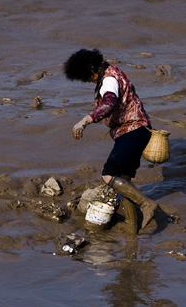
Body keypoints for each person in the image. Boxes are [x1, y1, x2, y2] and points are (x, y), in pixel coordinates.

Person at [63, 48, 158, 233]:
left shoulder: (108, 79)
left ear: (92, 68)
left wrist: (85, 121)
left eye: (85, 77)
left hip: (132, 131)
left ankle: (147, 204)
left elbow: (109, 103)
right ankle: (132, 228)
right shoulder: (113, 74)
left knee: (108, 174)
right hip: (138, 131)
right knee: (124, 180)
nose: (86, 81)